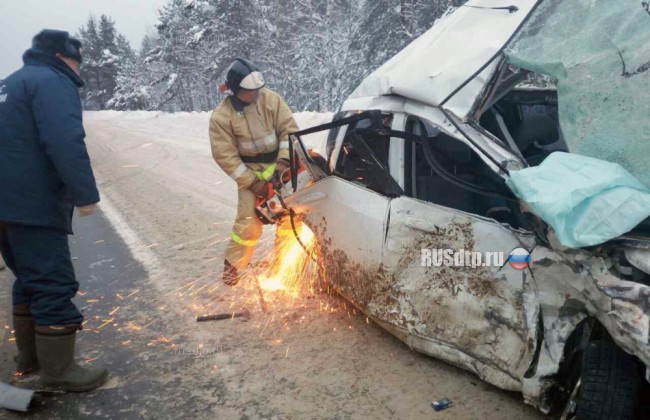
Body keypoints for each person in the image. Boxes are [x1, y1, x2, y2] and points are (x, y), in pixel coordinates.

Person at [0, 29, 108, 391]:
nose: (78, 68)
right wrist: (85, 193)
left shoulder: (9, 84)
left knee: (29, 279)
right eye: (76, 61)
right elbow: (64, 138)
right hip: (31, 202)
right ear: (63, 57)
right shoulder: (53, 81)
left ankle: (30, 360)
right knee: (52, 281)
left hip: (5, 206)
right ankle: (59, 373)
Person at [209, 58, 299, 285]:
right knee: (248, 225)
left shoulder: (271, 100)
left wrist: (282, 166)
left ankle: (285, 267)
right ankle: (233, 266)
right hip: (250, 175)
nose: (256, 94)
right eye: (250, 92)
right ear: (235, 90)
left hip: (279, 168)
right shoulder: (221, 118)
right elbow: (226, 157)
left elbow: (290, 132)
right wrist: (254, 184)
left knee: (290, 217)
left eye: (258, 89)